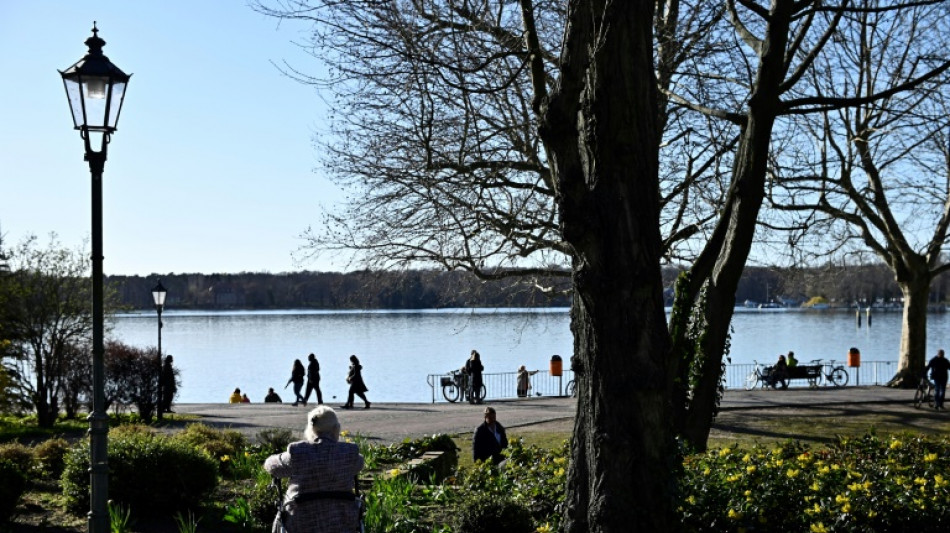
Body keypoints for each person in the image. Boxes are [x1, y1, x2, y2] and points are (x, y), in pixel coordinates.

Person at [264, 406, 364, 533]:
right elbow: (359, 464)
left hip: (301, 522)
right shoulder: (350, 453)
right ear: (336, 428)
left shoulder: (298, 452)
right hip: (343, 522)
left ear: (311, 428)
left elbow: (271, 466)